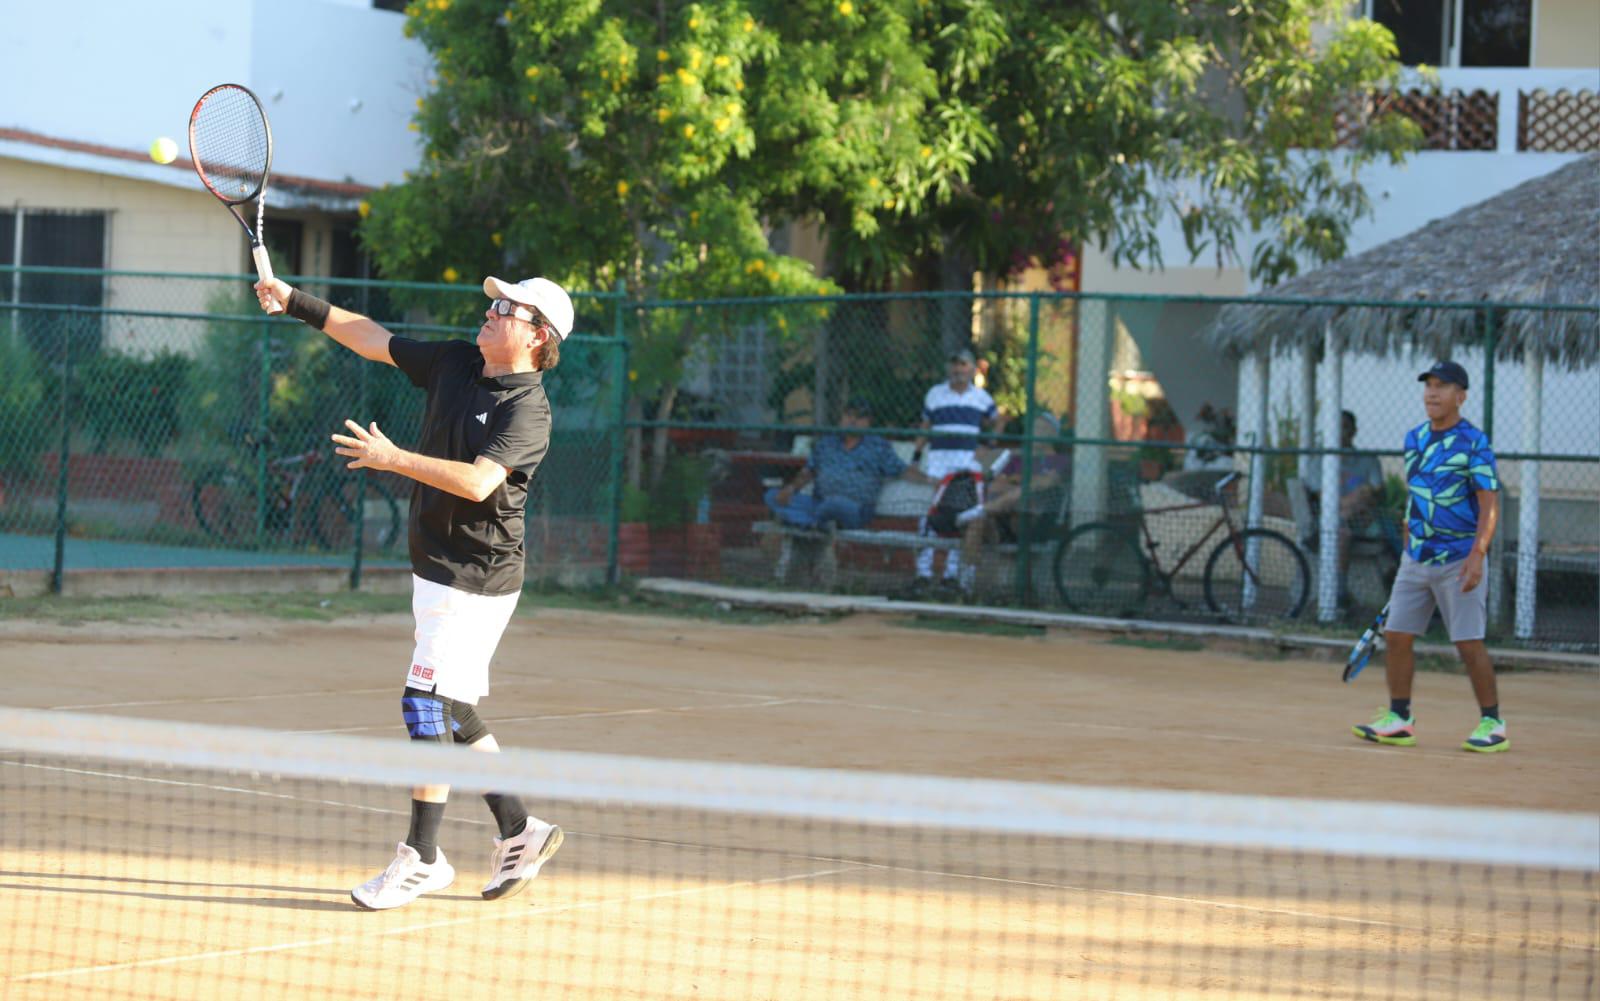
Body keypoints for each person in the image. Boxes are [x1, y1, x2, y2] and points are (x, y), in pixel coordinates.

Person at [254, 271, 569, 909]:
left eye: (507, 307)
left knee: (422, 702)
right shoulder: (456, 361)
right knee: (448, 705)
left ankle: (422, 856)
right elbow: (375, 339)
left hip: (477, 578)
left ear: (538, 336)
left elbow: (480, 483)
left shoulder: (526, 409)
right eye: (493, 301)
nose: (490, 309)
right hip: (435, 567)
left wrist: (394, 458)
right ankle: (519, 827)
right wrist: (295, 303)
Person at [1353, 361, 1506, 753]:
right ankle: (1400, 719)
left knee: (1468, 643)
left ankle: (1493, 723)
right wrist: (1408, 532)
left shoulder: (1475, 442)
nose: (1432, 393)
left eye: (1443, 386)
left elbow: (1489, 505)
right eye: (1429, 386)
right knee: (1398, 636)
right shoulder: (1415, 439)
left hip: (1459, 557)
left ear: (1462, 396)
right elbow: (1417, 491)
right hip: (1416, 557)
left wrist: (1478, 554)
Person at [911, 348, 1005, 596]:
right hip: (938, 464)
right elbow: (925, 427)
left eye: (963, 365)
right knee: (929, 515)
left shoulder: (981, 398)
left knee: (961, 516)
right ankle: (923, 574)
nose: (958, 370)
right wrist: (916, 457)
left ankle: (951, 576)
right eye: (954, 365)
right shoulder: (935, 394)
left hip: (966, 467)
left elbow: (997, 421)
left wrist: (988, 446)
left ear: (972, 369)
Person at [766, 398, 932, 530]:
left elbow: (903, 471)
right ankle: (815, 524)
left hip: (856, 509)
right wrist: (790, 489)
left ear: (868, 422)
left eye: (859, 417)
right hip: (819, 502)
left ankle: (803, 521)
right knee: (772, 496)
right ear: (841, 418)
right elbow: (808, 472)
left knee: (834, 504)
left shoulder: (878, 446)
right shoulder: (826, 443)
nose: (852, 420)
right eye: (848, 415)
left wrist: (932, 481)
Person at [955, 412, 1072, 597]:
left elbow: (1046, 483)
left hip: (1033, 521)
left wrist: (1019, 484)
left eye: (1043, 429)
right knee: (978, 523)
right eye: (1035, 427)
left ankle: (980, 510)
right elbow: (995, 484)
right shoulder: (1017, 458)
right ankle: (965, 588)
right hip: (1003, 516)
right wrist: (1020, 484)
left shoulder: (1060, 460)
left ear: (1053, 435)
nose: (1037, 432)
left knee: (1023, 495)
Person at [1307, 410, 1390, 603]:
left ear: (1354, 431)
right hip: (1331, 521)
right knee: (1341, 530)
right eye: (1336, 428)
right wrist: (1355, 498)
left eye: (1345, 428)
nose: (1340, 433)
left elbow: (1377, 493)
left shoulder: (1366, 460)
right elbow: (1324, 500)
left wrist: (1361, 498)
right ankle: (1339, 593)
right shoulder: (1320, 460)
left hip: (1365, 520)